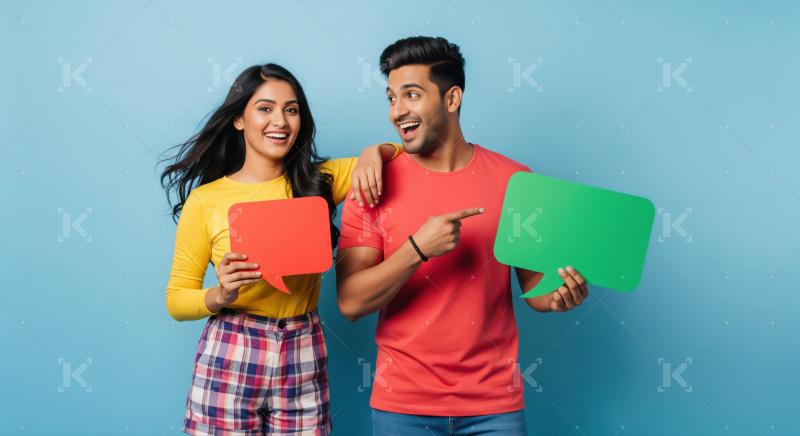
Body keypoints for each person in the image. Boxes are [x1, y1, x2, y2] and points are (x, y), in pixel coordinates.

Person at [335, 37, 590, 435]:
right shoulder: (373, 183)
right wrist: (417, 249)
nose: (397, 111)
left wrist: (560, 296)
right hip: (403, 407)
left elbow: (535, 289)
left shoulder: (515, 181)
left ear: (451, 99)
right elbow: (350, 302)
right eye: (390, 98)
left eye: (412, 95)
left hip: (495, 408)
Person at [160, 63, 401, 435]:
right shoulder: (205, 201)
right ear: (239, 119)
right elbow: (176, 299)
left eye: (291, 109)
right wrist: (220, 294)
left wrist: (375, 151)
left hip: (303, 346)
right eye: (265, 108)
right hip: (232, 347)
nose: (281, 121)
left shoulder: (320, 180)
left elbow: (404, 157)